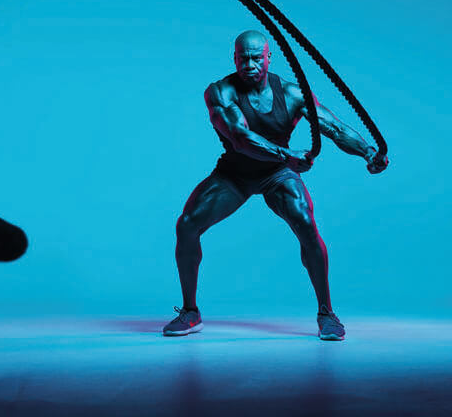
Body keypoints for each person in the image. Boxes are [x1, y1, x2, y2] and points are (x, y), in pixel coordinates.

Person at [162, 30, 388, 340]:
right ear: (235, 59)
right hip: (236, 173)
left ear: (269, 57)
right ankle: (189, 312)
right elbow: (239, 138)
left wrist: (368, 152)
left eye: (257, 57)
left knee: (306, 223)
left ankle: (327, 314)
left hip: (278, 174)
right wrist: (287, 154)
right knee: (187, 225)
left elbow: (333, 127)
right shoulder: (219, 92)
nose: (250, 65)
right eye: (244, 59)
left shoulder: (293, 94)